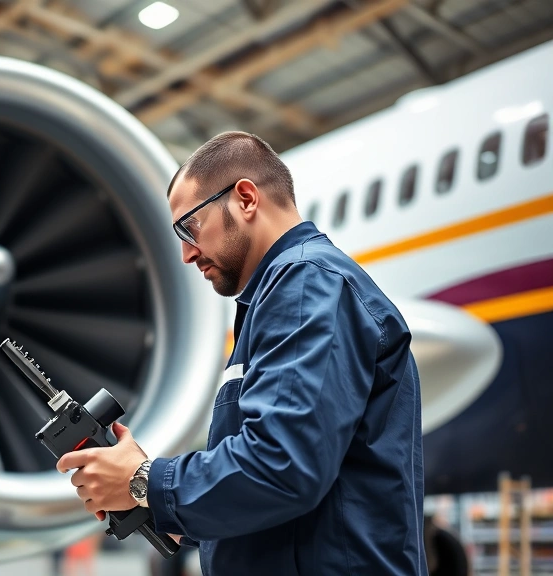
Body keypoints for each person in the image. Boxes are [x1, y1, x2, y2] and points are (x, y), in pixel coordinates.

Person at [57, 131, 426, 575]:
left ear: (246, 199)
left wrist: (146, 480)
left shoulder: (307, 284)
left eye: (188, 227)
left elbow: (282, 466)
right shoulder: (275, 301)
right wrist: (156, 504)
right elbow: (279, 492)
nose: (186, 254)